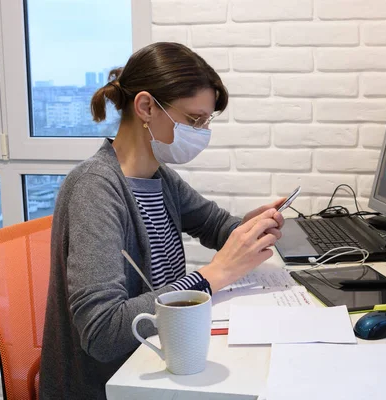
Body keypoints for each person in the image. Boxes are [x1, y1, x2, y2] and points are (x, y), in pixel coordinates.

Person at [39, 42, 285, 399]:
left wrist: (250, 227)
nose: (201, 133)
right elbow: (103, 332)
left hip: (160, 363)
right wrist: (213, 275)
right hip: (111, 385)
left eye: (206, 122)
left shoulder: (159, 177)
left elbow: (215, 226)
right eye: (194, 120)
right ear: (146, 107)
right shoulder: (96, 189)